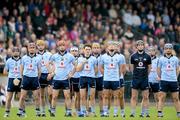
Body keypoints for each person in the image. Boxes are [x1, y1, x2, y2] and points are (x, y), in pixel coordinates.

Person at [49, 40, 75, 117]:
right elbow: (49, 64)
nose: (62, 47)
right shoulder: (54, 56)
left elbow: (75, 65)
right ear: (58, 47)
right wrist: (51, 72)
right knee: (54, 96)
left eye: (63, 45)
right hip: (56, 79)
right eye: (60, 46)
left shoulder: (70, 56)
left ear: (65, 46)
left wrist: (71, 73)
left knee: (67, 96)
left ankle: (68, 112)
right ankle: (53, 111)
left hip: (65, 79)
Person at [99, 41, 124, 117]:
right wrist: (105, 75)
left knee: (116, 96)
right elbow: (100, 67)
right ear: (107, 47)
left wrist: (117, 75)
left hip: (116, 80)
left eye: (113, 45)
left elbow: (121, 68)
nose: (112, 47)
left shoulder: (119, 57)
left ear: (115, 48)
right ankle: (105, 112)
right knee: (105, 96)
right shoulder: (103, 57)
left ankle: (115, 113)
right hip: (106, 80)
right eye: (110, 45)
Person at [17, 42, 41, 117]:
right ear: (28, 48)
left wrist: (37, 78)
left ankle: (37, 112)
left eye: (33, 47)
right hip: (26, 78)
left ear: (35, 49)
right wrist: (22, 77)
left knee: (36, 97)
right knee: (22, 96)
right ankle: (21, 111)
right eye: (30, 47)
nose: (32, 49)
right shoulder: (24, 58)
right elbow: (21, 68)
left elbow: (39, 69)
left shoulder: (38, 58)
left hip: (34, 78)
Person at [157, 43, 180, 118]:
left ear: (172, 49)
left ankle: (178, 113)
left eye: (170, 48)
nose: (168, 50)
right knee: (162, 97)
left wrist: (175, 77)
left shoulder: (176, 59)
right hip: (164, 81)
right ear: (164, 50)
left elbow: (178, 69)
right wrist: (160, 77)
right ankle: (160, 113)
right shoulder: (161, 59)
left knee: (176, 98)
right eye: (166, 48)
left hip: (173, 81)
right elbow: (159, 69)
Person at [130, 40, 151, 117]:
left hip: (144, 79)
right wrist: (135, 75)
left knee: (145, 97)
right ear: (137, 46)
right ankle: (132, 113)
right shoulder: (133, 56)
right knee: (134, 97)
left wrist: (145, 75)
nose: (140, 46)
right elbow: (132, 68)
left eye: (142, 45)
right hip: (135, 79)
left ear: (143, 46)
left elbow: (149, 68)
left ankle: (145, 113)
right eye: (139, 45)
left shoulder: (148, 56)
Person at [76, 44, 98, 117]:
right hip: (83, 78)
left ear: (91, 50)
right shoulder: (80, 59)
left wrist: (93, 75)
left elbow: (96, 69)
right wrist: (83, 63)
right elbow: (78, 69)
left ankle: (93, 112)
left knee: (92, 96)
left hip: (91, 78)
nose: (87, 51)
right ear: (83, 50)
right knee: (82, 96)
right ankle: (83, 112)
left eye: (89, 49)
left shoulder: (94, 59)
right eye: (86, 49)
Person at [3, 47, 22, 117]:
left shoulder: (22, 60)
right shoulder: (8, 61)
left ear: (19, 52)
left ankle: (20, 112)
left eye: (17, 51)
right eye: (14, 51)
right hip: (11, 79)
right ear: (12, 52)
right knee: (9, 98)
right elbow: (5, 71)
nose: (16, 52)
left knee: (21, 97)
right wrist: (11, 75)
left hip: (20, 79)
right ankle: (7, 112)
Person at [36, 40, 52, 117]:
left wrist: (51, 73)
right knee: (41, 95)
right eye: (39, 45)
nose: (40, 47)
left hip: (48, 75)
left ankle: (49, 106)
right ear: (37, 46)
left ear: (44, 46)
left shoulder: (49, 54)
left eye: (42, 45)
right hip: (40, 75)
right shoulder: (35, 55)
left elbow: (53, 64)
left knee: (50, 93)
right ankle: (43, 111)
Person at [114, 42, 126, 117]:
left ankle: (122, 112)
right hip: (111, 79)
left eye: (117, 46)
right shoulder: (107, 56)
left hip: (120, 78)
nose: (116, 48)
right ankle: (113, 113)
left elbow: (124, 69)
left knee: (121, 96)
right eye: (115, 46)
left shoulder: (121, 56)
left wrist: (120, 75)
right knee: (112, 96)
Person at [92, 42, 104, 116]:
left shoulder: (103, 57)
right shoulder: (88, 57)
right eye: (94, 47)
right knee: (91, 96)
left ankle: (102, 111)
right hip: (91, 78)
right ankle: (91, 111)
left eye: (97, 47)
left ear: (100, 49)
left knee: (101, 96)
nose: (96, 49)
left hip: (100, 78)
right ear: (92, 48)